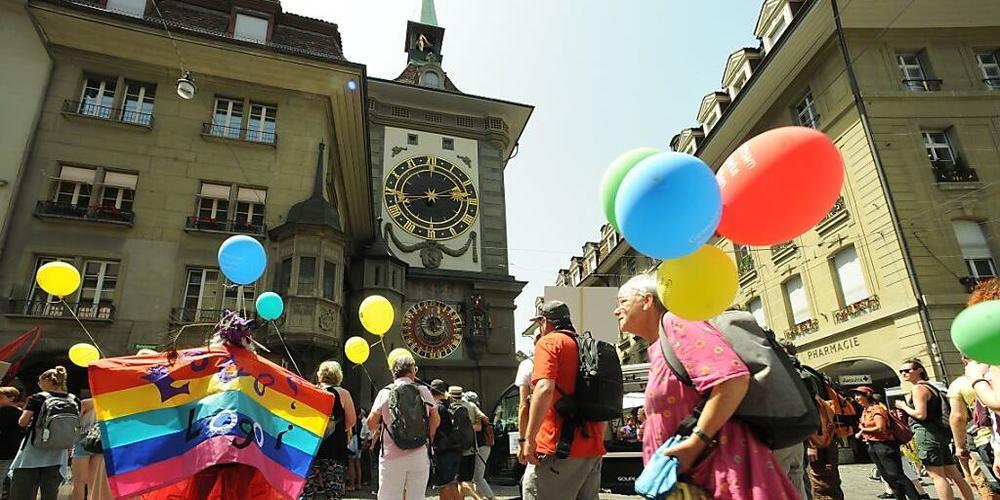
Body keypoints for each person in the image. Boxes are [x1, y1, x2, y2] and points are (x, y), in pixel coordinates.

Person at [613, 274, 797, 499]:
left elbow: (732, 379)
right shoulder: (658, 345)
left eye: (622, 302)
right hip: (696, 481)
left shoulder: (676, 322)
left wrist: (696, 441)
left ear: (648, 301)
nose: (616, 311)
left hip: (722, 478)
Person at [521, 300, 604, 500]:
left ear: (545, 322)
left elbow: (544, 388)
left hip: (558, 446)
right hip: (592, 446)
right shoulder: (589, 346)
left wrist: (529, 439)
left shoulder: (549, 342)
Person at [895, 358, 975, 500]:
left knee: (937, 476)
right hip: (939, 435)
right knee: (955, 475)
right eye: (901, 371)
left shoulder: (918, 388)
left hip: (926, 435)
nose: (903, 373)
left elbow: (920, 414)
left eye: (907, 370)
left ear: (919, 371)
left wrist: (904, 407)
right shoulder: (931, 387)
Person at [367, 351, 439, 500]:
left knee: (389, 497)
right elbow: (436, 419)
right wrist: (428, 436)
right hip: (419, 453)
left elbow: (371, 422)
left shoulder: (385, 392)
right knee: (416, 497)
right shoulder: (423, 391)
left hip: (391, 455)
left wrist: (381, 429)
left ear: (394, 373)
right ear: (412, 371)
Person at [9, 366, 75, 500]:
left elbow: (23, 422)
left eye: (40, 381)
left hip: (33, 452)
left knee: (21, 492)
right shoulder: (73, 399)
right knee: (50, 494)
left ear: (48, 381)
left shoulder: (37, 398)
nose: (39, 385)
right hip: (58, 454)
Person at [853, 386, 921, 500]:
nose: (856, 398)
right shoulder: (865, 411)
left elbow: (880, 427)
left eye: (858, 395)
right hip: (872, 445)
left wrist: (863, 430)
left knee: (896, 475)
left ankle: (915, 498)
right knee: (887, 476)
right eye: (855, 395)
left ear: (867, 396)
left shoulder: (877, 409)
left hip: (885, 445)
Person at [301, 361, 356, 500]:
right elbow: (351, 421)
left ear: (320, 375)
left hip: (311, 449)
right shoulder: (343, 393)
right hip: (335, 451)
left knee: (307, 492)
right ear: (338, 376)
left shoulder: (312, 391)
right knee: (333, 493)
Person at [948, 355, 1000, 500]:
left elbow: (958, 417)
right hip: (993, 440)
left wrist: (959, 446)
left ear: (964, 359)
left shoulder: (962, 383)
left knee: (986, 485)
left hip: (983, 440)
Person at [429, 380, 462, 500]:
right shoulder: (453, 405)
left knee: (444, 484)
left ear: (431, 392)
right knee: (453, 482)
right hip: (457, 448)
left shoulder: (436, 408)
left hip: (443, 450)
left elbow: (433, 430)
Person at [462, 391, 496, 500]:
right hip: (482, 446)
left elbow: (478, 427)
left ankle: (491, 497)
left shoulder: (475, 412)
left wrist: (464, 427)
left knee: (478, 476)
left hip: (481, 446)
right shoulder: (476, 410)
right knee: (476, 477)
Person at [71, 392, 96, 500]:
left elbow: (75, 422)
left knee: (79, 482)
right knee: (96, 481)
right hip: (101, 441)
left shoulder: (86, 403)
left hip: (83, 439)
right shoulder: (111, 402)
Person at [0, 387, 24, 498]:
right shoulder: (21, 413)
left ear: (11, 398)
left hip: (4, 451)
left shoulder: (4, 412)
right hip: (15, 450)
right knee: (10, 478)